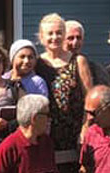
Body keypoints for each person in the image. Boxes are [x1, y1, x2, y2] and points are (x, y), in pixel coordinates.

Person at [36, 13, 92, 152]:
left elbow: (89, 99)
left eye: (59, 33)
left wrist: (85, 128)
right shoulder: (36, 63)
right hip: (44, 133)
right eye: (50, 33)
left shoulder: (78, 61)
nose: (55, 37)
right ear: (41, 37)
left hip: (74, 133)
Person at [64, 20, 110, 87]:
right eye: (70, 38)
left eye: (78, 38)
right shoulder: (54, 66)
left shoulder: (95, 70)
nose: (75, 42)